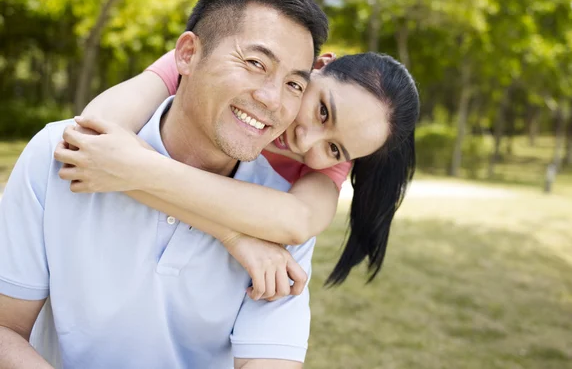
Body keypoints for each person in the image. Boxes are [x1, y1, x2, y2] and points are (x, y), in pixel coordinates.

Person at [0, 0, 329, 368]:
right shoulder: (61, 152)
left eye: (294, 84)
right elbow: (5, 328)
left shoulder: (277, 216)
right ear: (188, 55)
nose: (272, 99)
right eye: (256, 63)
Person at [55, 49, 419, 291]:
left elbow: (295, 223)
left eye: (335, 149)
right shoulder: (215, 65)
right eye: (323, 111)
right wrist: (235, 236)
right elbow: (91, 136)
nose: (305, 142)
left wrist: (130, 166)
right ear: (319, 65)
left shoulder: (328, 166)